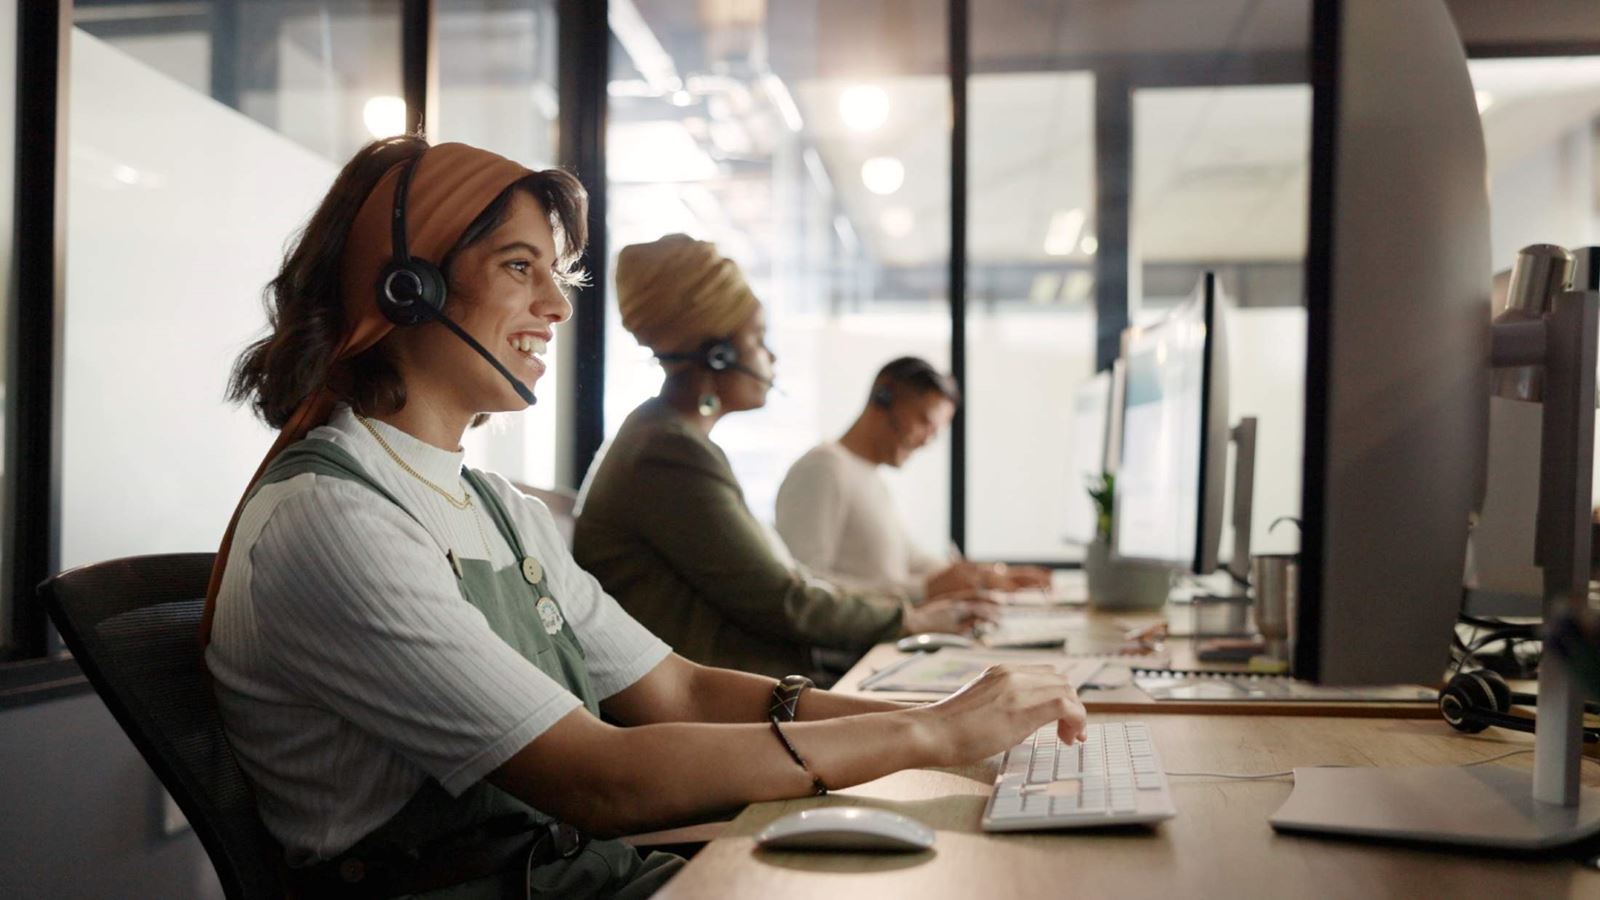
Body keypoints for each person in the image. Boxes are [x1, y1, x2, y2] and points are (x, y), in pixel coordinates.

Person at [203, 139, 1086, 899]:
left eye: (556, 274)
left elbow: (681, 690)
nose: (556, 306)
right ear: (405, 287)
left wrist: (951, 727)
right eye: (520, 268)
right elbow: (600, 779)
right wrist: (924, 734)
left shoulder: (496, 508)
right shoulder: (334, 518)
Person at [573, 235, 995, 681]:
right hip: (733, 703)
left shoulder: (670, 441)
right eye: (757, 337)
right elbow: (784, 601)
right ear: (718, 355)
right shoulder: (667, 452)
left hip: (755, 682)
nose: (771, 357)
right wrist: (913, 619)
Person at [776, 357, 1054, 601]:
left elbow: (912, 559)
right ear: (883, 395)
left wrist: (988, 576)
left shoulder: (868, 476)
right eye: (924, 423)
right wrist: (922, 591)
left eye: (935, 433)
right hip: (847, 657)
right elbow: (807, 587)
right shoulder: (823, 468)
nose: (926, 442)